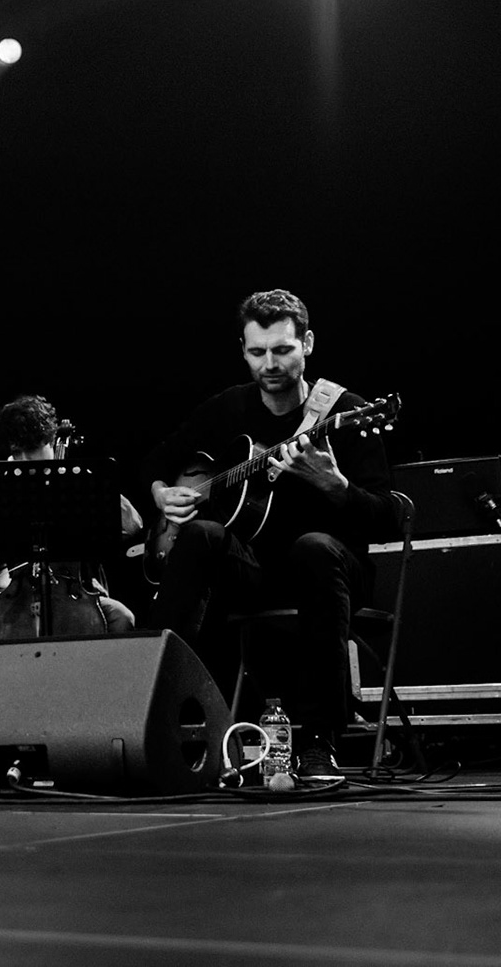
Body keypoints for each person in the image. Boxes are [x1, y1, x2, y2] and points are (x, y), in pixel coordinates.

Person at [140, 288, 397, 780]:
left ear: (308, 343)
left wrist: (338, 488)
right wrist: (158, 493)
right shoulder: (227, 409)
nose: (270, 363)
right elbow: (157, 460)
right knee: (201, 536)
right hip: (258, 572)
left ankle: (320, 742)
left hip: (332, 572)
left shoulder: (348, 411)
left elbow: (389, 515)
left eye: (283, 349)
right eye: (258, 352)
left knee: (313, 547)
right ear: (243, 350)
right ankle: (153, 714)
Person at [0, 395, 141, 640]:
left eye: (31, 450)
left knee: (121, 617)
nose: (25, 461)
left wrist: (82, 481)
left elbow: (132, 523)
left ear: (52, 442)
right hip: (5, 597)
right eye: (17, 452)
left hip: (72, 599)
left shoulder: (78, 483)